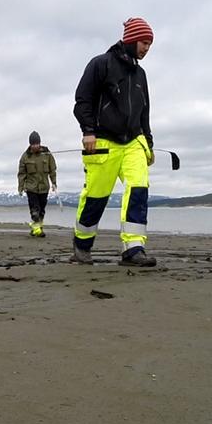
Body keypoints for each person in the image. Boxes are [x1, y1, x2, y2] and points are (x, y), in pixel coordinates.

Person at [70, 17, 158, 267]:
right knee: (96, 196)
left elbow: (145, 111)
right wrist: (88, 131)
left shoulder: (141, 74)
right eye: (144, 42)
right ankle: (82, 244)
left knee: (138, 190)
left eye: (150, 44)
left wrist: (148, 143)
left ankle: (133, 248)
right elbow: (82, 101)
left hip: (134, 142)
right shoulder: (100, 64)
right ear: (130, 40)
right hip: (102, 142)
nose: (146, 49)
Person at [17, 131, 58, 237]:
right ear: (30, 144)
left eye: (37, 144)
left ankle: (37, 228)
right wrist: (20, 187)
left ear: (40, 143)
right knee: (35, 210)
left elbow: (52, 169)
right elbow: (21, 173)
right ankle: (37, 229)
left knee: (41, 211)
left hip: (44, 187)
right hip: (31, 188)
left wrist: (54, 183)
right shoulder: (25, 157)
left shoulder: (47, 155)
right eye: (33, 144)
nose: (35, 146)